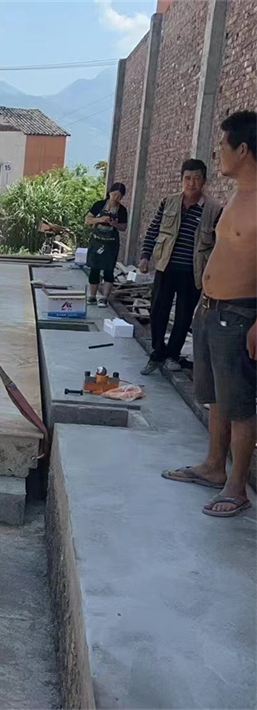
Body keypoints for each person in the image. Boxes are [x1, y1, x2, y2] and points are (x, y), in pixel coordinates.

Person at [162, 110, 257, 518]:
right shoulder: (237, 194)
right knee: (216, 398)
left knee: (239, 404)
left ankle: (237, 487)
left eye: (222, 145)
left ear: (243, 149)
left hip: (239, 315)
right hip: (210, 309)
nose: (218, 153)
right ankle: (214, 466)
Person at [138, 159, 223, 375]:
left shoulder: (214, 210)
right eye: (187, 178)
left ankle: (172, 355)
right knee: (158, 310)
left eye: (196, 178)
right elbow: (154, 229)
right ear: (181, 180)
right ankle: (158, 352)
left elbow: (218, 244)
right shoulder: (168, 202)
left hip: (192, 272)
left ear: (204, 181)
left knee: (184, 316)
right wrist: (145, 256)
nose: (191, 183)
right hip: (166, 267)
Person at [84, 183, 128, 307]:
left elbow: (124, 227)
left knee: (109, 270)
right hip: (96, 241)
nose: (115, 198)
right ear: (109, 193)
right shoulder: (99, 205)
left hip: (111, 243)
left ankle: (104, 298)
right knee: (94, 268)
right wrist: (100, 219)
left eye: (119, 196)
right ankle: (92, 296)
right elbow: (87, 220)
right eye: (114, 194)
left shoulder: (122, 210)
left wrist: (115, 224)